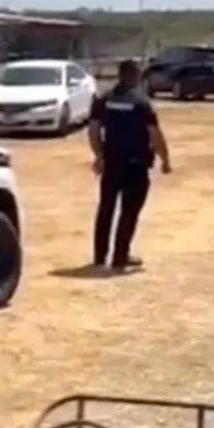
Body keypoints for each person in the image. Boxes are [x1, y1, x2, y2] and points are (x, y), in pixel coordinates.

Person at [86, 58, 172, 271]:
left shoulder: (104, 99)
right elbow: (155, 135)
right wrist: (165, 160)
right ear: (134, 75)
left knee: (106, 209)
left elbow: (94, 130)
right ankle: (120, 257)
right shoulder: (141, 103)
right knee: (129, 211)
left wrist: (99, 156)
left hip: (111, 162)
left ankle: (99, 257)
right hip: (136, 164)